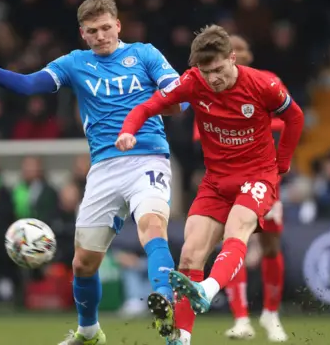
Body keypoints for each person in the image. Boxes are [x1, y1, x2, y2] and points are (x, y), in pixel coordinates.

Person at [0, 0, 183, 345]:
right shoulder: (75, 63)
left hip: (148, 158)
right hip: (104, 169)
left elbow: (180, 97)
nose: (101, 36)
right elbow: (30, 85)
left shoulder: (145, 54)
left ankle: (165, 302)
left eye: (106, 28)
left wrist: (156, 107)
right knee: (83, 264)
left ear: (118, 25)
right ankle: (89, 332)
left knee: (151, 225)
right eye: (93, 31)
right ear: (83, 33)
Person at [116, 25, 304, 345]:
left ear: (232, 58)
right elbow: (148, 107)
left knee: (238, 230)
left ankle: (213, 291)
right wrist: (128, 130)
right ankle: (181, 339)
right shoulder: (192, 82)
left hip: (256, 176)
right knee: (190, 256)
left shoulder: (262, 84)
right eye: (206, 72)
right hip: (216, 182)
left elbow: (295, 117)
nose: (213, 78)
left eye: (218, 69)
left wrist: (282, 163)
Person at [221, 35, 288, 342]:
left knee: (271, 245)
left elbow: (290, 119)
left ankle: (271, 314)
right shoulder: (213, 88)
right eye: (231, 50)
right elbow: (200, 134)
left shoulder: (268, 81)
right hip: (231, 179)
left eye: (242, 48)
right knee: (236, 243)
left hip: (265, 179)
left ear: (249, 53)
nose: (238, 54)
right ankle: (241, 318)